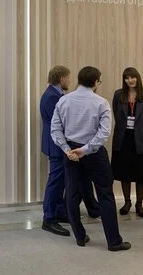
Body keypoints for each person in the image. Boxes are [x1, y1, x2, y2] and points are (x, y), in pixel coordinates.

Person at [51, 66, 130, 252]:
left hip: (71, 151)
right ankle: (113, 241)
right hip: (94, 153)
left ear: (79, 80)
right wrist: (85, 150)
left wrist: (67, 150)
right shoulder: (101, 103)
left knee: (72, 193)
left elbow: (55, 129)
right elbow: (104, 133)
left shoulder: (63, 100)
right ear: (96, 82)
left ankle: (80, 236)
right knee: (105, 194)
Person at [40, 66, 100, 237]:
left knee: (62, 182)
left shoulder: (55, 95)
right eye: (68, 77)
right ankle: (49, 218)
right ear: (61, 79)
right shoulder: (53, 97)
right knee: (56, 182)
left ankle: (60, 212)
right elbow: (59, 124)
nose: (70, 81)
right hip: (57, 146)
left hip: (59, 145)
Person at [111, 67, 143, 218]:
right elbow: (116, 114)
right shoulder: (118, 95)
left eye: (132, 77)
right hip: (123, 138)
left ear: (138, 77)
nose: (130, 80)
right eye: (127, 78)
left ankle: (139, 204)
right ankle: (127, 202)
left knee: (141, 173)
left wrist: (140, 129)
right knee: (125, 173)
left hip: (141, 139)